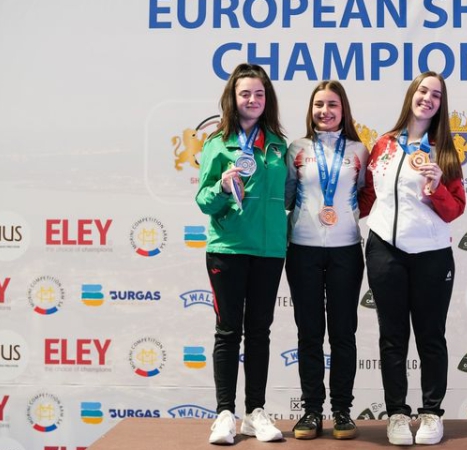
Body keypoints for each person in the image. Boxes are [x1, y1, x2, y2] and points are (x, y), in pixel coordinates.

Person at [358, 71, 466, 446]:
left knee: (431, 336)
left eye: (436, 95)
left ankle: (432, 413)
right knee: (392, 337)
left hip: (431, 255)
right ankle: (398, 415)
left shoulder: (446, 151)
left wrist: (436, 188)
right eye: (423, 91)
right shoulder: (384, 144)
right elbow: (367, 196)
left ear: (441, 105)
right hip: (385, 249)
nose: (428, 99)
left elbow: (455, 210)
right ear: (411, 95)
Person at [196, 63, 288, 445]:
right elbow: (203, 200)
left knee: (259, 331)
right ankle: (224, 414)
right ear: (233, 98)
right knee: (228, 330)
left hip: (269, 250)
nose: (252, 99)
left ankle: (255, 413)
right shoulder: (217, 143)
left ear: (267, 100)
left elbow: (291, 196)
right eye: (245, 93)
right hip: (228, 248)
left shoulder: (279, 145)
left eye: (259, 94)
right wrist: (221, 185)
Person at [285, 81, 369, 440]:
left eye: (332, 104)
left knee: (343, 333)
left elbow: (365, 194)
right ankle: (311, 411)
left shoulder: (359, 150)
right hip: (302, 247)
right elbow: (287, 195)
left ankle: (342, 411)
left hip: (346, 248)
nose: (325, 111)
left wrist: (343, 216)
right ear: (311, 110)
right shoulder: (297, 149)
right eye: (319, 104)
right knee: (309, 334)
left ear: (343, 109)